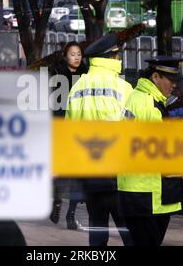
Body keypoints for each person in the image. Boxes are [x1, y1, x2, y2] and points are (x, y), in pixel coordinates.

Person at [66, 33, 133, 246]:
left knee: (96, 233)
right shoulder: (123, 88)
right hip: (118, 178)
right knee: (131, 234)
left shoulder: (77, 88)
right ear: (112, 58)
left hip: (89, 177)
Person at [118, 56, 183, 246]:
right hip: (147, 193)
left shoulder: (140, 97)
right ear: (156, 77)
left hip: (137, 190)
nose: (174, 85)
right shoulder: (149, 104)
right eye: (170, 80)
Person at [49, 42, 88, 230]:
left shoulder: (87, 75)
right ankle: (56, 203)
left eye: (79, 54)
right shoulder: (56, 73)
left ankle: (71, 215)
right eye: (72, 54)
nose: (76, 57)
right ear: (65, 56)